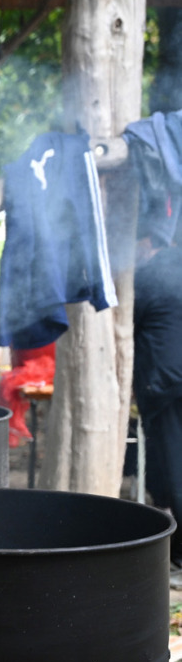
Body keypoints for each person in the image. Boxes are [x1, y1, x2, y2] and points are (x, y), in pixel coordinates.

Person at [133, 236, 182, 568]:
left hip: (165, 382)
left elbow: (127, 321)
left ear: (148, 241)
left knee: (173, 464)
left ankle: (178, 551)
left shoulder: (151, 273)